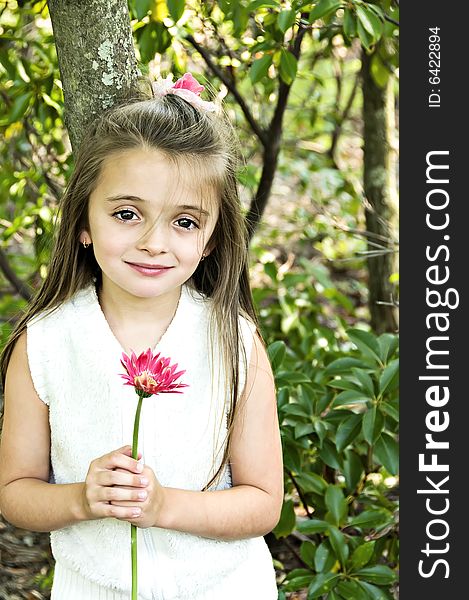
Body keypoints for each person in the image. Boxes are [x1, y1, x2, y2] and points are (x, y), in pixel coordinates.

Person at [0, 73, 283, 599]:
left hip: (223, 589)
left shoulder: (233, 341)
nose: (154, 243)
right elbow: (16, 493)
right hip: (95, 589)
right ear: (84, 220)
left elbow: (263, 501)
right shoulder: (44, 345)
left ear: (212, 238)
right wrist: (81, 500)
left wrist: (163, 506)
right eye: (127, 214)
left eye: (185, 221)